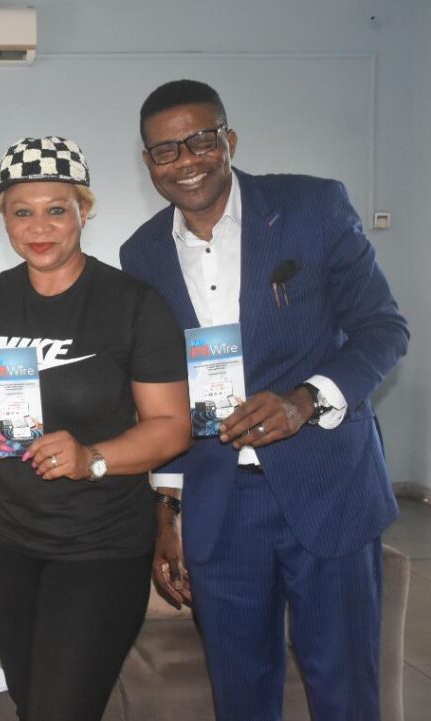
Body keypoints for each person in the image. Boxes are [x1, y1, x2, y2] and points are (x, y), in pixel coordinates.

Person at [121, 79, 409, 721]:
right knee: (239, 691)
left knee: (345, 689)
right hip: (221, 501)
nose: (186, 160)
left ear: (229, 139)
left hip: (328, 483)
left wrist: (307, 400)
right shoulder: (141, 254)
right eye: (166, 150)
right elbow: (163, 387)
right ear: (148, 163)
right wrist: (166, 508)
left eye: (201, 140)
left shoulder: (311, 206)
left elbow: (383, 327)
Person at [0, 136, 191, 721]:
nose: (39, 227)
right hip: (4, 542)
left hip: (100, 545)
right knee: (32, 701)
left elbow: (172, 426)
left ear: (84, 210)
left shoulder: (132, 303)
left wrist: (92, 458)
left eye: (57, 209)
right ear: (4, 218)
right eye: (21, 211)